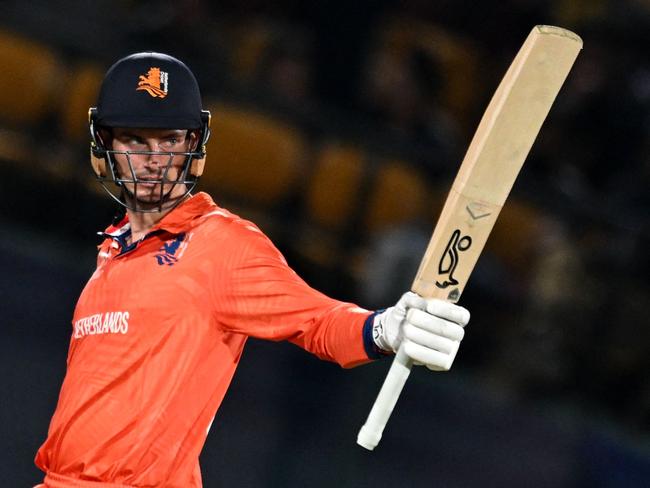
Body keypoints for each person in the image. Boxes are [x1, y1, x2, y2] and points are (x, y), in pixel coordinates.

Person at [34, 52, 470, 488]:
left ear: (193, 145)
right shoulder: (111, 253)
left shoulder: (222, 244)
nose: (154, 159)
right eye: (135, 140)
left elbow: (318, 321)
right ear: (104, 144)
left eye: (169, 140)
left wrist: (386, 329)